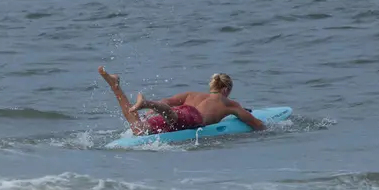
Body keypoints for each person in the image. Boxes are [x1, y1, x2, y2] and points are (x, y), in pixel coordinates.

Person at [98, 66, 266, 135]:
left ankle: (115, 86)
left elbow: (167, 101)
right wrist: (268, 130)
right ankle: (146, 103)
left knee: (138, 128)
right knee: (173, 118)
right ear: (225, 90)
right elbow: (254, 123)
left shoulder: (191, 95)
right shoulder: (226, 102)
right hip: (192, 117)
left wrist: (152, 112)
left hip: (180, 111)